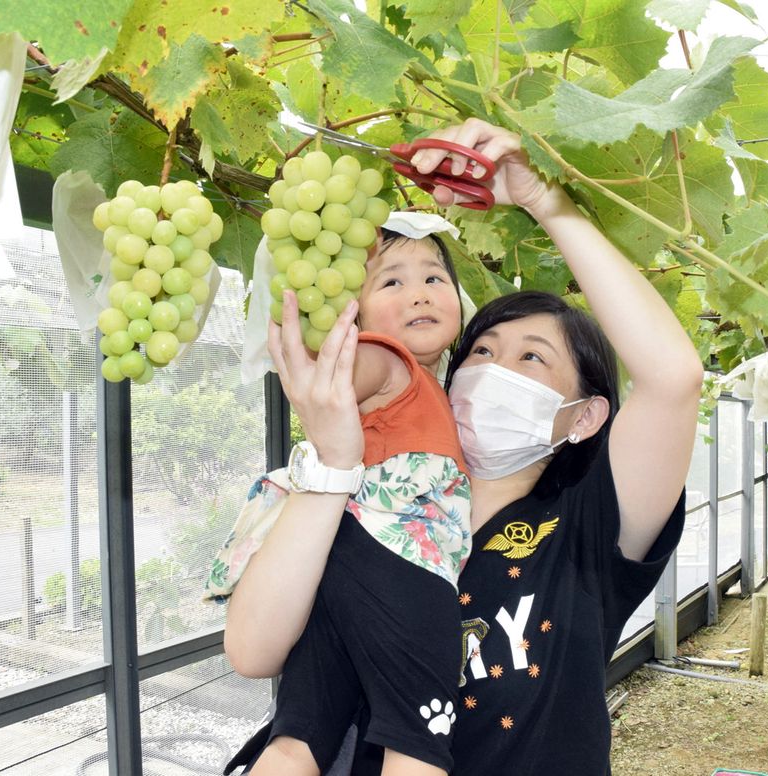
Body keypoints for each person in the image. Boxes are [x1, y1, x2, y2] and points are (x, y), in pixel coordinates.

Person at [223, 119, 704, 775]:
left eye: (531, 358)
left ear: (586, 417)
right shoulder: (370, 509)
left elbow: (673, 378)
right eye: (481, 351)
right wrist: (333, 467)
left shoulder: (586, 529)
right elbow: (254, 653)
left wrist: (545, 200)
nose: (493, 371)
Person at [215, 225, 473, 776]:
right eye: (392, 283)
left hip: (334, 555)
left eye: (433, 277)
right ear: (352, 314)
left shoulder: (430, 388)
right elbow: (341, 376)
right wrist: (322, 349)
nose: (420, 293)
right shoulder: (389, 362)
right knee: (418, 740)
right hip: (395, 558)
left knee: (300, 735)